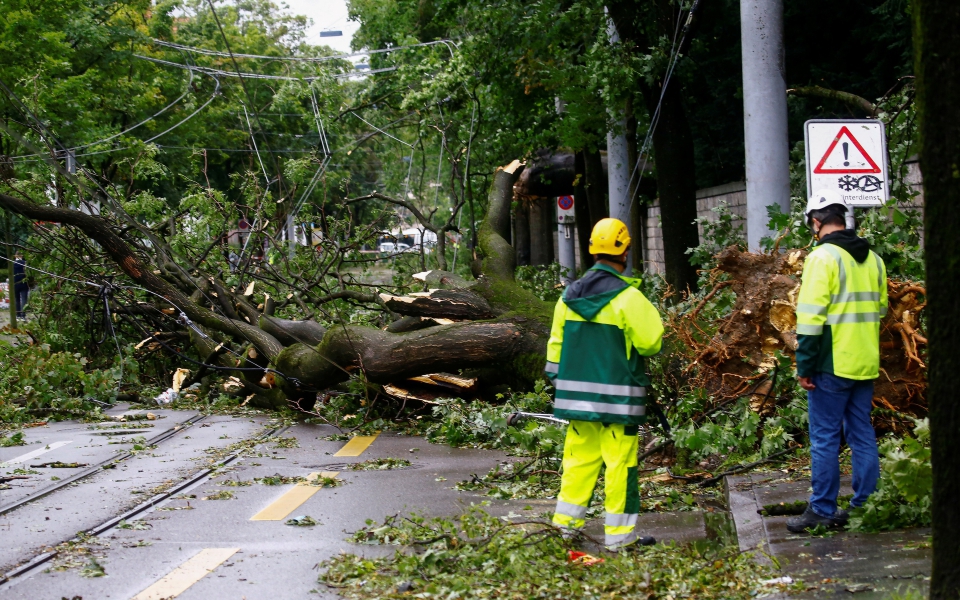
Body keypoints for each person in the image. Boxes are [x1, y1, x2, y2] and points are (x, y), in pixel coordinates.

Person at [546, 218, 664, 550]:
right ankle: (619, 539)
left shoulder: (567, 297)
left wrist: (565, 387)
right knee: (619, 468)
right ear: (625, 250)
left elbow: (554, 352)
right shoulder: (628, 298)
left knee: (578, 465)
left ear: (592, 250)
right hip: (619, 406)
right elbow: (652, 342)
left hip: (577, 404)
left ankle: (564, 531)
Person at [788, 189, 886, 533]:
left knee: (826, 437)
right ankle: (865, 505)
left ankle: (823, 510)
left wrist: (805, 366)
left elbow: (811, 319)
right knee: (862, 433)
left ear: (816, 222)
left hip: (831, 362)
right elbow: (882, 309)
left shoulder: (822, 258)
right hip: (865, 360)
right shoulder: (872, 258)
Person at [12, 252, 27, 319]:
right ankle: (23, 315)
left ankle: (18, 315)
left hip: (15, 283)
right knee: (24, 299)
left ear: (15, 256)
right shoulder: (25, 263)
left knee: (17, 299)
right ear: (21, 256)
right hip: (23, 283)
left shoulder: (12, 264)